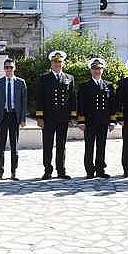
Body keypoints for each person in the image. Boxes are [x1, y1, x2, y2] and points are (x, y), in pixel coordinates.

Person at [35, 50, 75, 180]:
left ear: (63, 63)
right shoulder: (44, 78)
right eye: (55, 62)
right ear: (51, 63)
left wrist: (72, 117)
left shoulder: (69, 78)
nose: (57, 64)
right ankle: (48, 170)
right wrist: (40, 117)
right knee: (47, 144)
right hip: (48, 118)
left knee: (61, 145)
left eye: (59, 62)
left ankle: (61, 170)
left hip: (63, 118)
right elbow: (39, 98)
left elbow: (72, 99)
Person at [77, 58, 116, 179]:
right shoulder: (85, 86)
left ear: (102, 70)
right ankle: (89, 170)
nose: (97, 71)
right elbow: (81, 104)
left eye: (99, 69)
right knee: (89, 146)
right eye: (94, 69)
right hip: (90, 121)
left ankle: (100, 169)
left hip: (103, 121)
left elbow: (112, 104)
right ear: (91, 70)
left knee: (101, 146)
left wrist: (112, 120)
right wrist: (81, 121)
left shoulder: (108, 85)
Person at [0, 58, 27, 180]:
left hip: (14, 116)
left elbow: (24, 102)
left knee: (14, 146)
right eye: (6, 67)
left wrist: (22, 119)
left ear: (14, 68)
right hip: (2, 117)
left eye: (11, 67)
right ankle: (0, 172)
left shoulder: (20, 82)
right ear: (4, 69)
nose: (9, 69)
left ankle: (14, 172)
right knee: (1, 146)